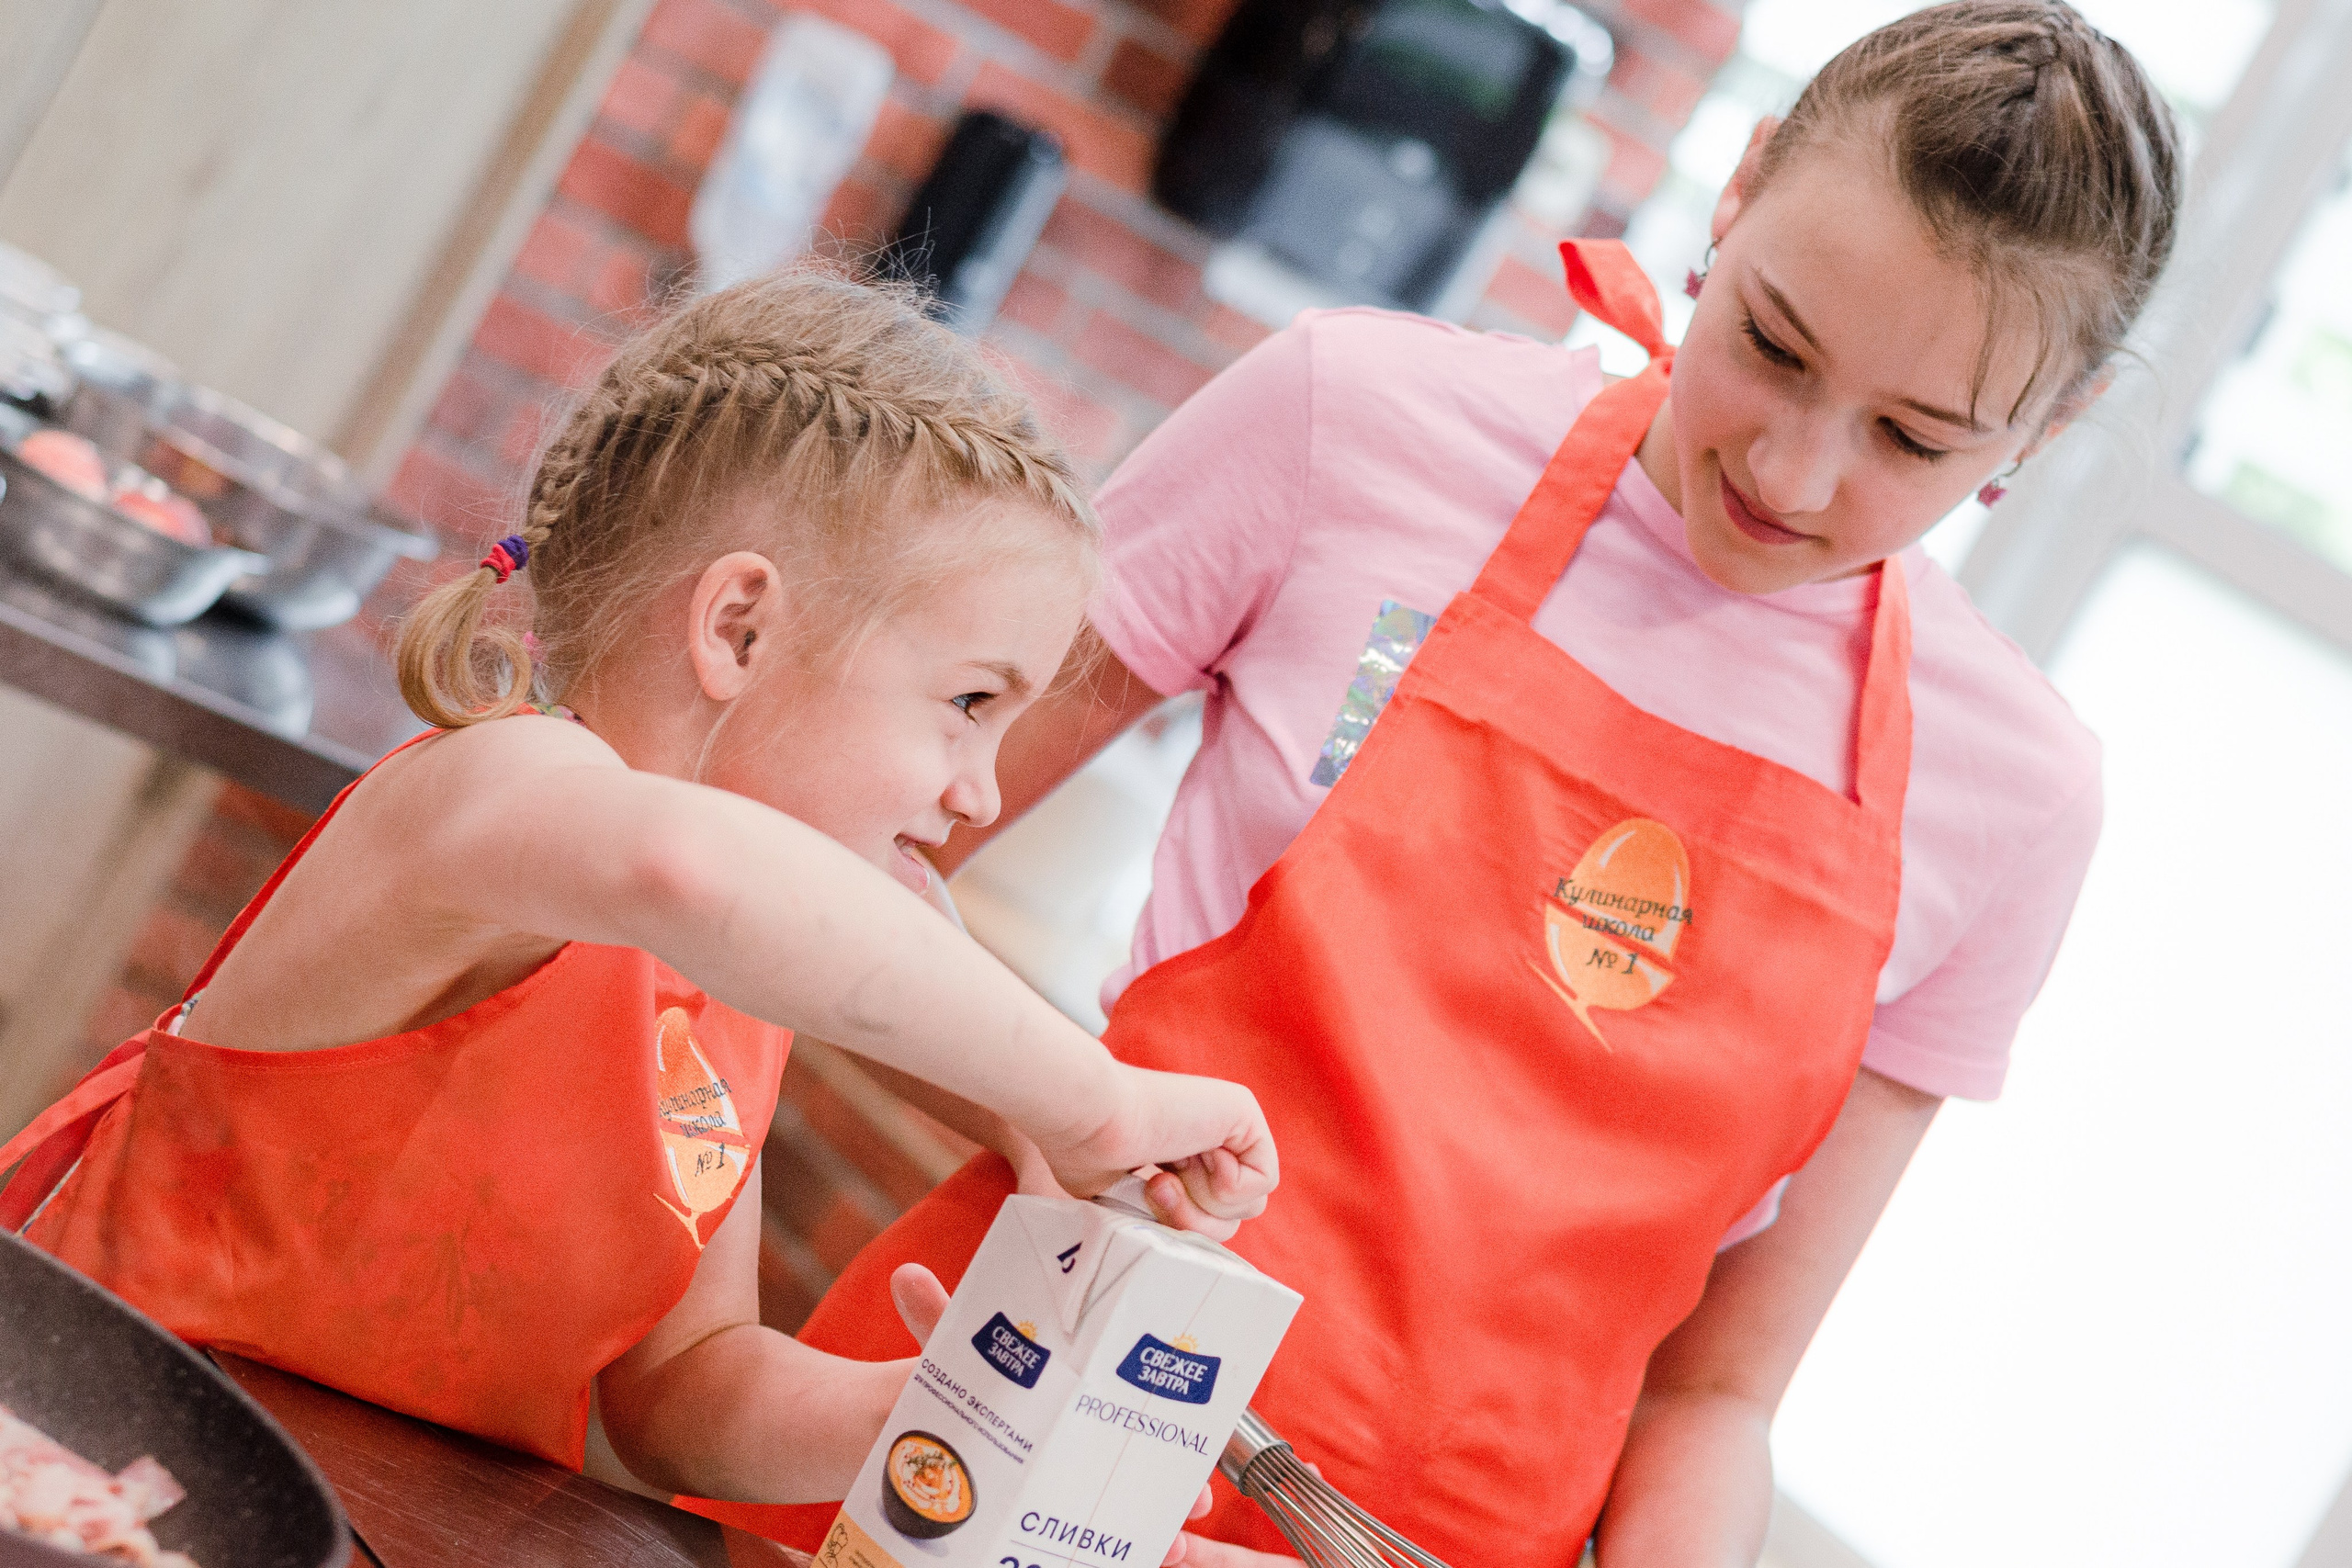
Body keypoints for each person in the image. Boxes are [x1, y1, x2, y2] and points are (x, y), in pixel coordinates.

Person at [756, 6, 2186, 1564]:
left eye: (1912, 440)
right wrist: (1071, 1121)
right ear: (1740, 185)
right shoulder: (1351, 420)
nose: (1793, 475)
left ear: (2056, 423)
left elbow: (1715, 1394)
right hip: (1016, 1407)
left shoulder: (2017, 795)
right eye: (1773, 344)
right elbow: (844, 863)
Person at [0, 274, 1278, 1511]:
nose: (982, 793)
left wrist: (942, 1407)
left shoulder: (734, 987)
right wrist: (1086, 1100)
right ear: (739, 630)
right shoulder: (501, 789)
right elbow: (690, 872)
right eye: (967, 704)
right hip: (75, 1463)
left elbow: (680, 1391)